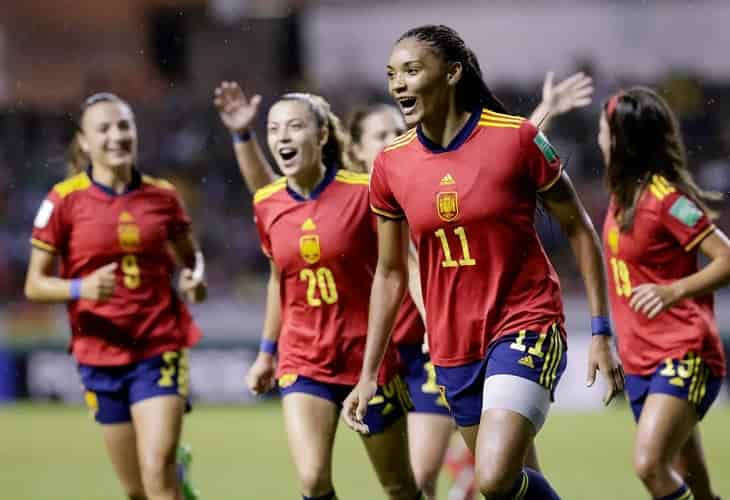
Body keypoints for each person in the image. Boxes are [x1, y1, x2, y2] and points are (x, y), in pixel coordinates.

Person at [215, 68, 594, 500]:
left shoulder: (414, 179)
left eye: (398, 128)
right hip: (381, 349)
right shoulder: (368, 191)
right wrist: (243, 137)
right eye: (382, 133)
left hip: (436, 345)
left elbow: (492, 159)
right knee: (434, 477)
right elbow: (276, 199)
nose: (397, 135)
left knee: (481, 471)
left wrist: (542, 114)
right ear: (355, 147)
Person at [342, 24, 624, 500]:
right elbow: (390, 272)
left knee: (491, 478)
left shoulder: (518, 139)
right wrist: (368, 373)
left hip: (525, 323)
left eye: (412, 70)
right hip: (454, 347)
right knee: (508, 485)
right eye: (392, 74)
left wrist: (600, 331)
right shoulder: (391, 165)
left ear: (452, 73)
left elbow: (579, 227)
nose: (398, 85)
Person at [230, 91, 421, 500]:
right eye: (274, 128)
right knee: (313, 479)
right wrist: (267, 352)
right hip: (303, 358)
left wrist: (435, 327)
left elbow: (403, 265)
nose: (283, 136)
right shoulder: (266, 204)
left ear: (321, 137)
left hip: (367, 359)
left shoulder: (364, 192)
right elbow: (277, 279)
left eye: (295, 126)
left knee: (399, 486)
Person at [24, 93, 205, 500]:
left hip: (159, 344)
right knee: (136, 488)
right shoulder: (63, 200)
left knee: (156, 473)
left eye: (124, 126)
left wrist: (195, 279)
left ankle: (171, 472)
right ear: (84, 142)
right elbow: (34, 284)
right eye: (103, 128)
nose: (116, 135)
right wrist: (79, 288)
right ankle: (178, 473)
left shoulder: (163, 196)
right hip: (99, 354)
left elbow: (192, 261)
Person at [600, 86, 728, 500]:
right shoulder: (622, 198)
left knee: (650, 465)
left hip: (684, 353)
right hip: (641, 362)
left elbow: (727, 257)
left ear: (622, 140)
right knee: (693, 482)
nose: (600, 138)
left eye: (605, 130)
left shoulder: (666, 200)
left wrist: (675, 290)